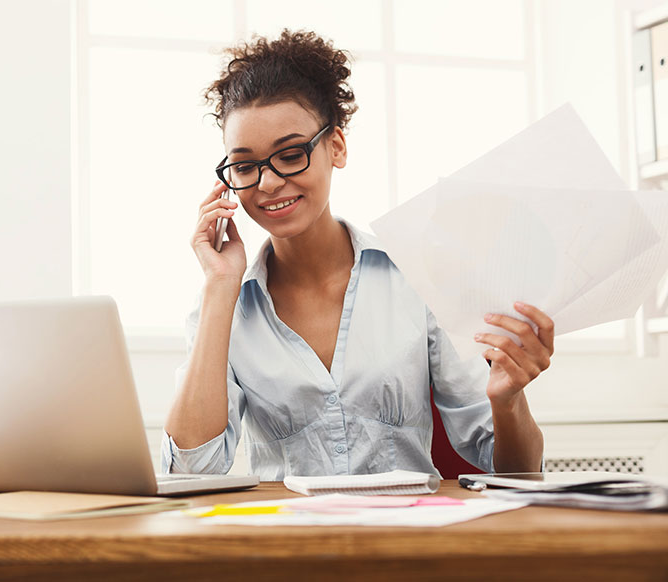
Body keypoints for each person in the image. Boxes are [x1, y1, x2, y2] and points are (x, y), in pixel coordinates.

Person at [161, 30, 552, 480]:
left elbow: (516, 472)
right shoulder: (221, 305)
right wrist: (219, 286)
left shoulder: (418, 275)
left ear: (336, 147)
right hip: (289, 542)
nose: (267, 183)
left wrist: (507, 400)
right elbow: (191, 471)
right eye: (246, 166)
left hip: (408, 537)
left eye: (290, 155)